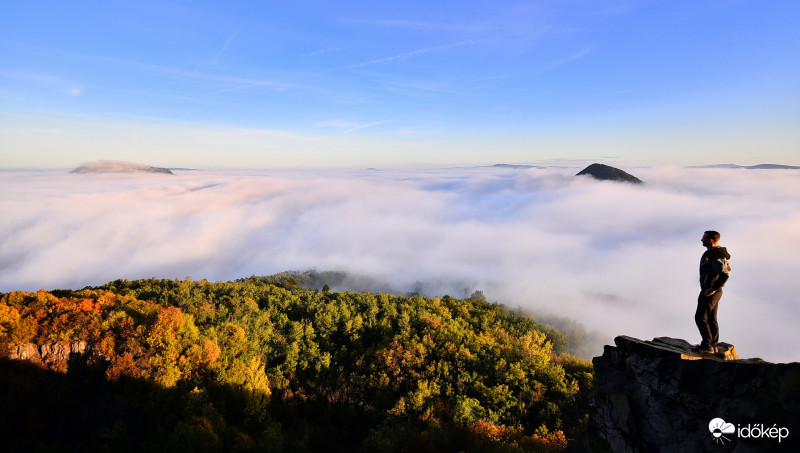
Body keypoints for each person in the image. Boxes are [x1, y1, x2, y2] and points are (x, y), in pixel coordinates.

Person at [693, 230, 731, 354]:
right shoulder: (714, 253)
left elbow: (724, 274)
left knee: (700, 317)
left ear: (710, 240)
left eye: (703, 238)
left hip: (711, 291)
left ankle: (707, 346)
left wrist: (713, 288)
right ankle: (713, 345)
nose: (701, 240)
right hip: (714, 290)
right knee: (711, 318)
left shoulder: (715, 255)